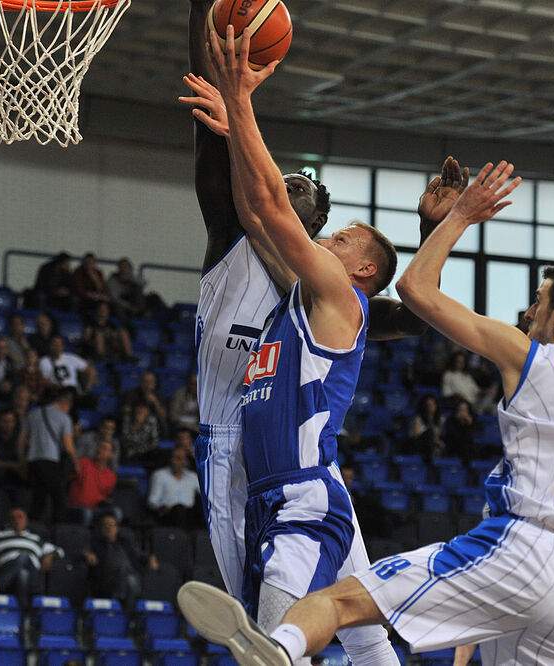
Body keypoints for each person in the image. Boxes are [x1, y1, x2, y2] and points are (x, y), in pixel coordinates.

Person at [177, 159, 554, 665]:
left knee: (334, 605)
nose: (528, 313)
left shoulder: (526, 354)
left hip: (518, 544)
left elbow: (415, 295)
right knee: (368, 637)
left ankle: (282, 649)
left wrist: (458, 219)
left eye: (539, 302)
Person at [179, 0, 450, 639]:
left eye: (303, 187)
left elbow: (408, 316)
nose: (291, 185)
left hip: (291, 466)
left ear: (319, 226)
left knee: (304, 622)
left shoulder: (321, 288)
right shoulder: (233, 229)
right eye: (289, 180)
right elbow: (214, 141)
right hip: (229, 437)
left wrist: (430, 235)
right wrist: (206, 24)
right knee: (310, 617)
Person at [0, 507, 63, 606]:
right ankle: (23, 614)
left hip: (33, 574)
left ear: (26, 520)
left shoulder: (35, 539)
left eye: (20, 517)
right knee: (22, 573)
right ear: (9, 521)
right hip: (8, 569)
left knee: (24, 555)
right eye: (13, 518)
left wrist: (49, 556)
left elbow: (59, 551)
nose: (16, 521)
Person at [19, 387, 77, 523]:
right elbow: (68, 446)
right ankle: (57, 530)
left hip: (33, 461)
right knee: (59, 498)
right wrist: (76, 463)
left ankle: (33, 528)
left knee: (38, 498)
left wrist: (22, 460)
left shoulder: (32, 415)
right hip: (50, 460)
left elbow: (21, 441)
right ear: (66, 404)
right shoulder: (64, 417)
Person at [86, 512, 158, 609]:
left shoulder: (125, 542)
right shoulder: (96, 544)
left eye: (112, 525)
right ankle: (128, 614)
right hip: (108, 581)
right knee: (129, 578)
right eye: (106, 525)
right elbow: (77, 554)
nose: (109, 527)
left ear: (117, 528)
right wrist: (85, 554)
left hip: (129, 576)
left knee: (130, 578)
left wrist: (151, 558)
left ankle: (120, 608)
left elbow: (139, 555)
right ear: (101, 528)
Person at [66, 438, 117, 525]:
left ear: (111, 454)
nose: (99, 450)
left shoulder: (111, 476)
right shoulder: (83, 463)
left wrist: (107, 501)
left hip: (96, 510)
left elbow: (105, 496)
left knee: (116, 512)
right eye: (99, 447)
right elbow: (66, 477)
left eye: (104, 448)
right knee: (87, 513)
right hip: (76, 508)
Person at [147, 448, 199, 529]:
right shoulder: (159, 475)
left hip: (190, 515)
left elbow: (206, 496)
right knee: (179, 509)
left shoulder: (193, 477)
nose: (174, 461)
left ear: (185, 462)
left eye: (178, 458)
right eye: (172, 457)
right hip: (168, 514)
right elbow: (152, 501)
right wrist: (162, 507)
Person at [0, 407, 28, 490]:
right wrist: (13, 465)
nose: (9, 425)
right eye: (5, 421)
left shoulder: (19, 437)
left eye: (12, 421)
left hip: (16, 470)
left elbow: (22, 459)